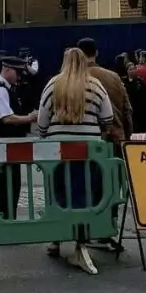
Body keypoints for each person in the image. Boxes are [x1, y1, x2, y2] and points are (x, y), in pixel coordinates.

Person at [37, 47, 114, 257]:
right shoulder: (95, 85)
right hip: (89, 149)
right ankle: (82, 237)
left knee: (58, 192)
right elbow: (107, 117)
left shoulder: (54, 84)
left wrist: (45, 134)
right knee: (84, 192)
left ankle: (56, 239)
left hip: (57, 149)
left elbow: (42, 118)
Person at [77, 37, 130, 252]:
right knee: (111, 187)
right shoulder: (113, 77)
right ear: (96, 53)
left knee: (86, 186)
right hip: (114, 140)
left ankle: (85, 230)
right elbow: (127, 110)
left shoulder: (71, 79)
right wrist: (127, 137)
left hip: (85, 143)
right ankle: (107, 231)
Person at [0, 55, 37, 218]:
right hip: (2, 147)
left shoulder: (9, 88)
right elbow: (7, 118)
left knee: (13, 184)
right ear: (7, 70)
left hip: (11, 147)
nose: (20, 77)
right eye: (18, 73)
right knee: (4, 185)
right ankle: (3, 218)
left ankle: (9, 216)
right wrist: (30, 117)